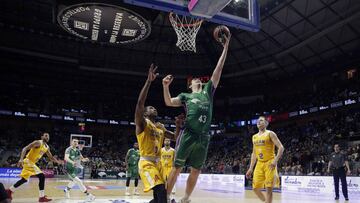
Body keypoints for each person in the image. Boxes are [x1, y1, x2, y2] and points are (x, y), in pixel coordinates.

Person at [162, 28, 231, 203]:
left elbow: (219, 69)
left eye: (199, 79)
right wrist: (165, 86)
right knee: (176, 168)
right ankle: (165, 198)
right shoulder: (186, 96)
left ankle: (185, 198)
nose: (197, 79)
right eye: (194, 80)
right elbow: (169, 102)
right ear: (190, 85)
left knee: (196, 170)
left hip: (203, 137)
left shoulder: (208, 91)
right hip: (189, 134)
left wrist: (226, 47)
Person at [135, 64, 181, 203]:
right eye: (150, 108)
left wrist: (178, 126)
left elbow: (175, 137)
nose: (153, 108)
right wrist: (149, 82)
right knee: (161, 191)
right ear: (144, 113)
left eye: (154, 107)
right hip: (147, 163)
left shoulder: (160, 127)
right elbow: (139, 103)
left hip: (158, 163)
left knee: (160, 196)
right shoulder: (142, 123)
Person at [6, 132, 63, 202]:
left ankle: (9, 190)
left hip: (31, 163)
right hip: (28, 161)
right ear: (42, 137)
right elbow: (25, 148)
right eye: (45, 136)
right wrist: (21, 159)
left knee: (24, 180)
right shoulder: (38, 142)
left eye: (48, 136)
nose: (47, 137)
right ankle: (41, 197)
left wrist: (58, 162)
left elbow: (51, 157)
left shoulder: (47, 147)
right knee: (42, 176)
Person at [246, 116, 284, 203]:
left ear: (266, 123)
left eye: (261, 120)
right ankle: (266, 201)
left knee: (269, 188)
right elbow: (254, 153)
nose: (259, 122)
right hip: (259, 163)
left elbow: (281, 147)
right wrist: (251, 168)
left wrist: (275, 161)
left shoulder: (270, 133)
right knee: (255, 188)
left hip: (270, 162)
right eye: (258, 121)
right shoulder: (254, 137)